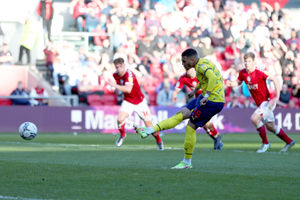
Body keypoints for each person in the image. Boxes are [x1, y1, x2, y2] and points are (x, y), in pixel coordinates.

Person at [135, 48, 225, 169]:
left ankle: (187, 162)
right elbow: (205, 80)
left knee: (191, 125)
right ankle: (149, 130)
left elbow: (213, 78)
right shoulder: (200, 64)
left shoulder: (202, 66)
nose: (183, 64)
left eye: (184, 61)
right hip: (204, 97)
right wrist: (195, 90)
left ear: (192, 59)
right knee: (181, 113)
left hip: (213, 101)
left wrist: (207, 95)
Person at [228, 52, 295, 153]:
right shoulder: (243, 73)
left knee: (254, 119)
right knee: (271, 127)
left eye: (249, 61)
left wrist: (276, 97)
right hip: (260, 104)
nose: (247, 64)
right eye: (245, 62)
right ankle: (289, 141)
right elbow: (238, 82)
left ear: (254, 62)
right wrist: (230, 83)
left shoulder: (260, 72)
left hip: (267, 102)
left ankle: (265, 144)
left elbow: (275, 79)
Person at [106, 57, 164, 150]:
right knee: (120, 119)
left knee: (149, 127)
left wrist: (114, 86)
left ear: (124, 65)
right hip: (128, 101)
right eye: (117, 67)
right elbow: (120, 88)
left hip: (139, 102)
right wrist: (116, 90)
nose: (119, 69)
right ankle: (123, 135)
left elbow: (128, 89)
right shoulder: (115, 75)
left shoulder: (129, 74)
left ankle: (158, 140)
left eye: (120, 67)